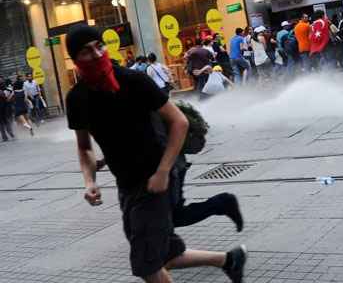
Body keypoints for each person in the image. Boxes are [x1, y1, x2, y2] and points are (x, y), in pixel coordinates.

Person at [64, 25, 247, 283]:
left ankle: (225, 232)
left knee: (146, 264)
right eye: (86, 51)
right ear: (75, 60)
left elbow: (179, 122)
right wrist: (90, 181)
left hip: (156, 178)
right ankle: (229, 260)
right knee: (165, 254)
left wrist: (162, 172)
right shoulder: (77, 99)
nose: (96, 54)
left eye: (99, 46)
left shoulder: (132, 80)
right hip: (127, 184)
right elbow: (84, 147)